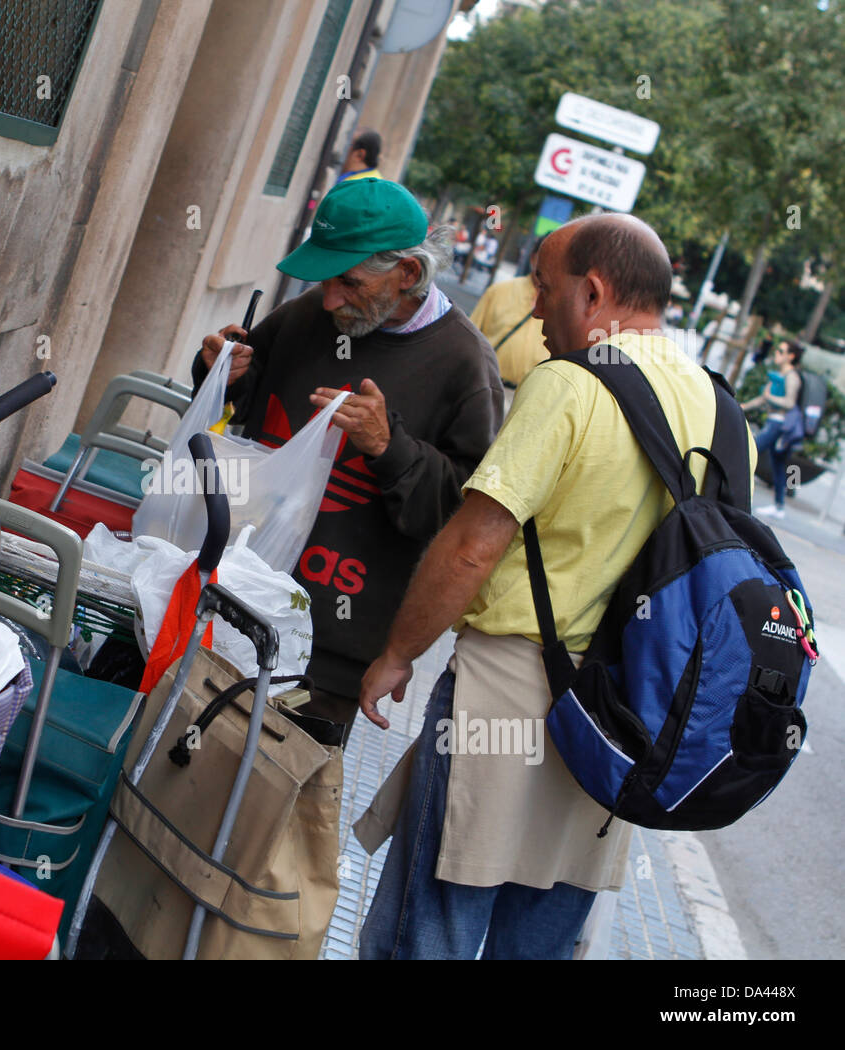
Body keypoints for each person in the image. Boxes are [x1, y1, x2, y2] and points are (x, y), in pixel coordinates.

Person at [354, 213, 755, 959]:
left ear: (594, 291)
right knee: (538, 945)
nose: (534, 307)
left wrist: (400, 653)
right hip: (627, 723)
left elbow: (474, 546)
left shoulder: (569, 385)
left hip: (508, 696)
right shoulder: (722, 408)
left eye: (544, 286)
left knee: (430, 930)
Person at [192, 179, 503, 742]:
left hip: (329, 643)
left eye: (350, 282)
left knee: (262, 794)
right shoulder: (308, 313)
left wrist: (390, 447)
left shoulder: (465, 364)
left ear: (408, 274)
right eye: (327, 279)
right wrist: (222, 372)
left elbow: (460, 514)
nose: (331, 299)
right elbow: (245, 407)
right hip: (227, 593)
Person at [740, 339, 804, 519]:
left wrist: (770, 397)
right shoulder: (778, 376)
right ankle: (779, 506)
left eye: (781, 351)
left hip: (779, 424)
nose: (777, 353)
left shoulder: (792, 377)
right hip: (773, 421)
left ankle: (738, 495)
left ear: (791, 356)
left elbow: (789, 403)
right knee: (777, 466)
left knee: (749, 452)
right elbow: (763, 398)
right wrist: (744, 406)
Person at [468, 265, 549, 394]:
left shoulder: (563, 308)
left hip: (527, 395)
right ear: (534, 258)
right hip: (485, 386)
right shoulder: (499, 291)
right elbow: (469, 338)